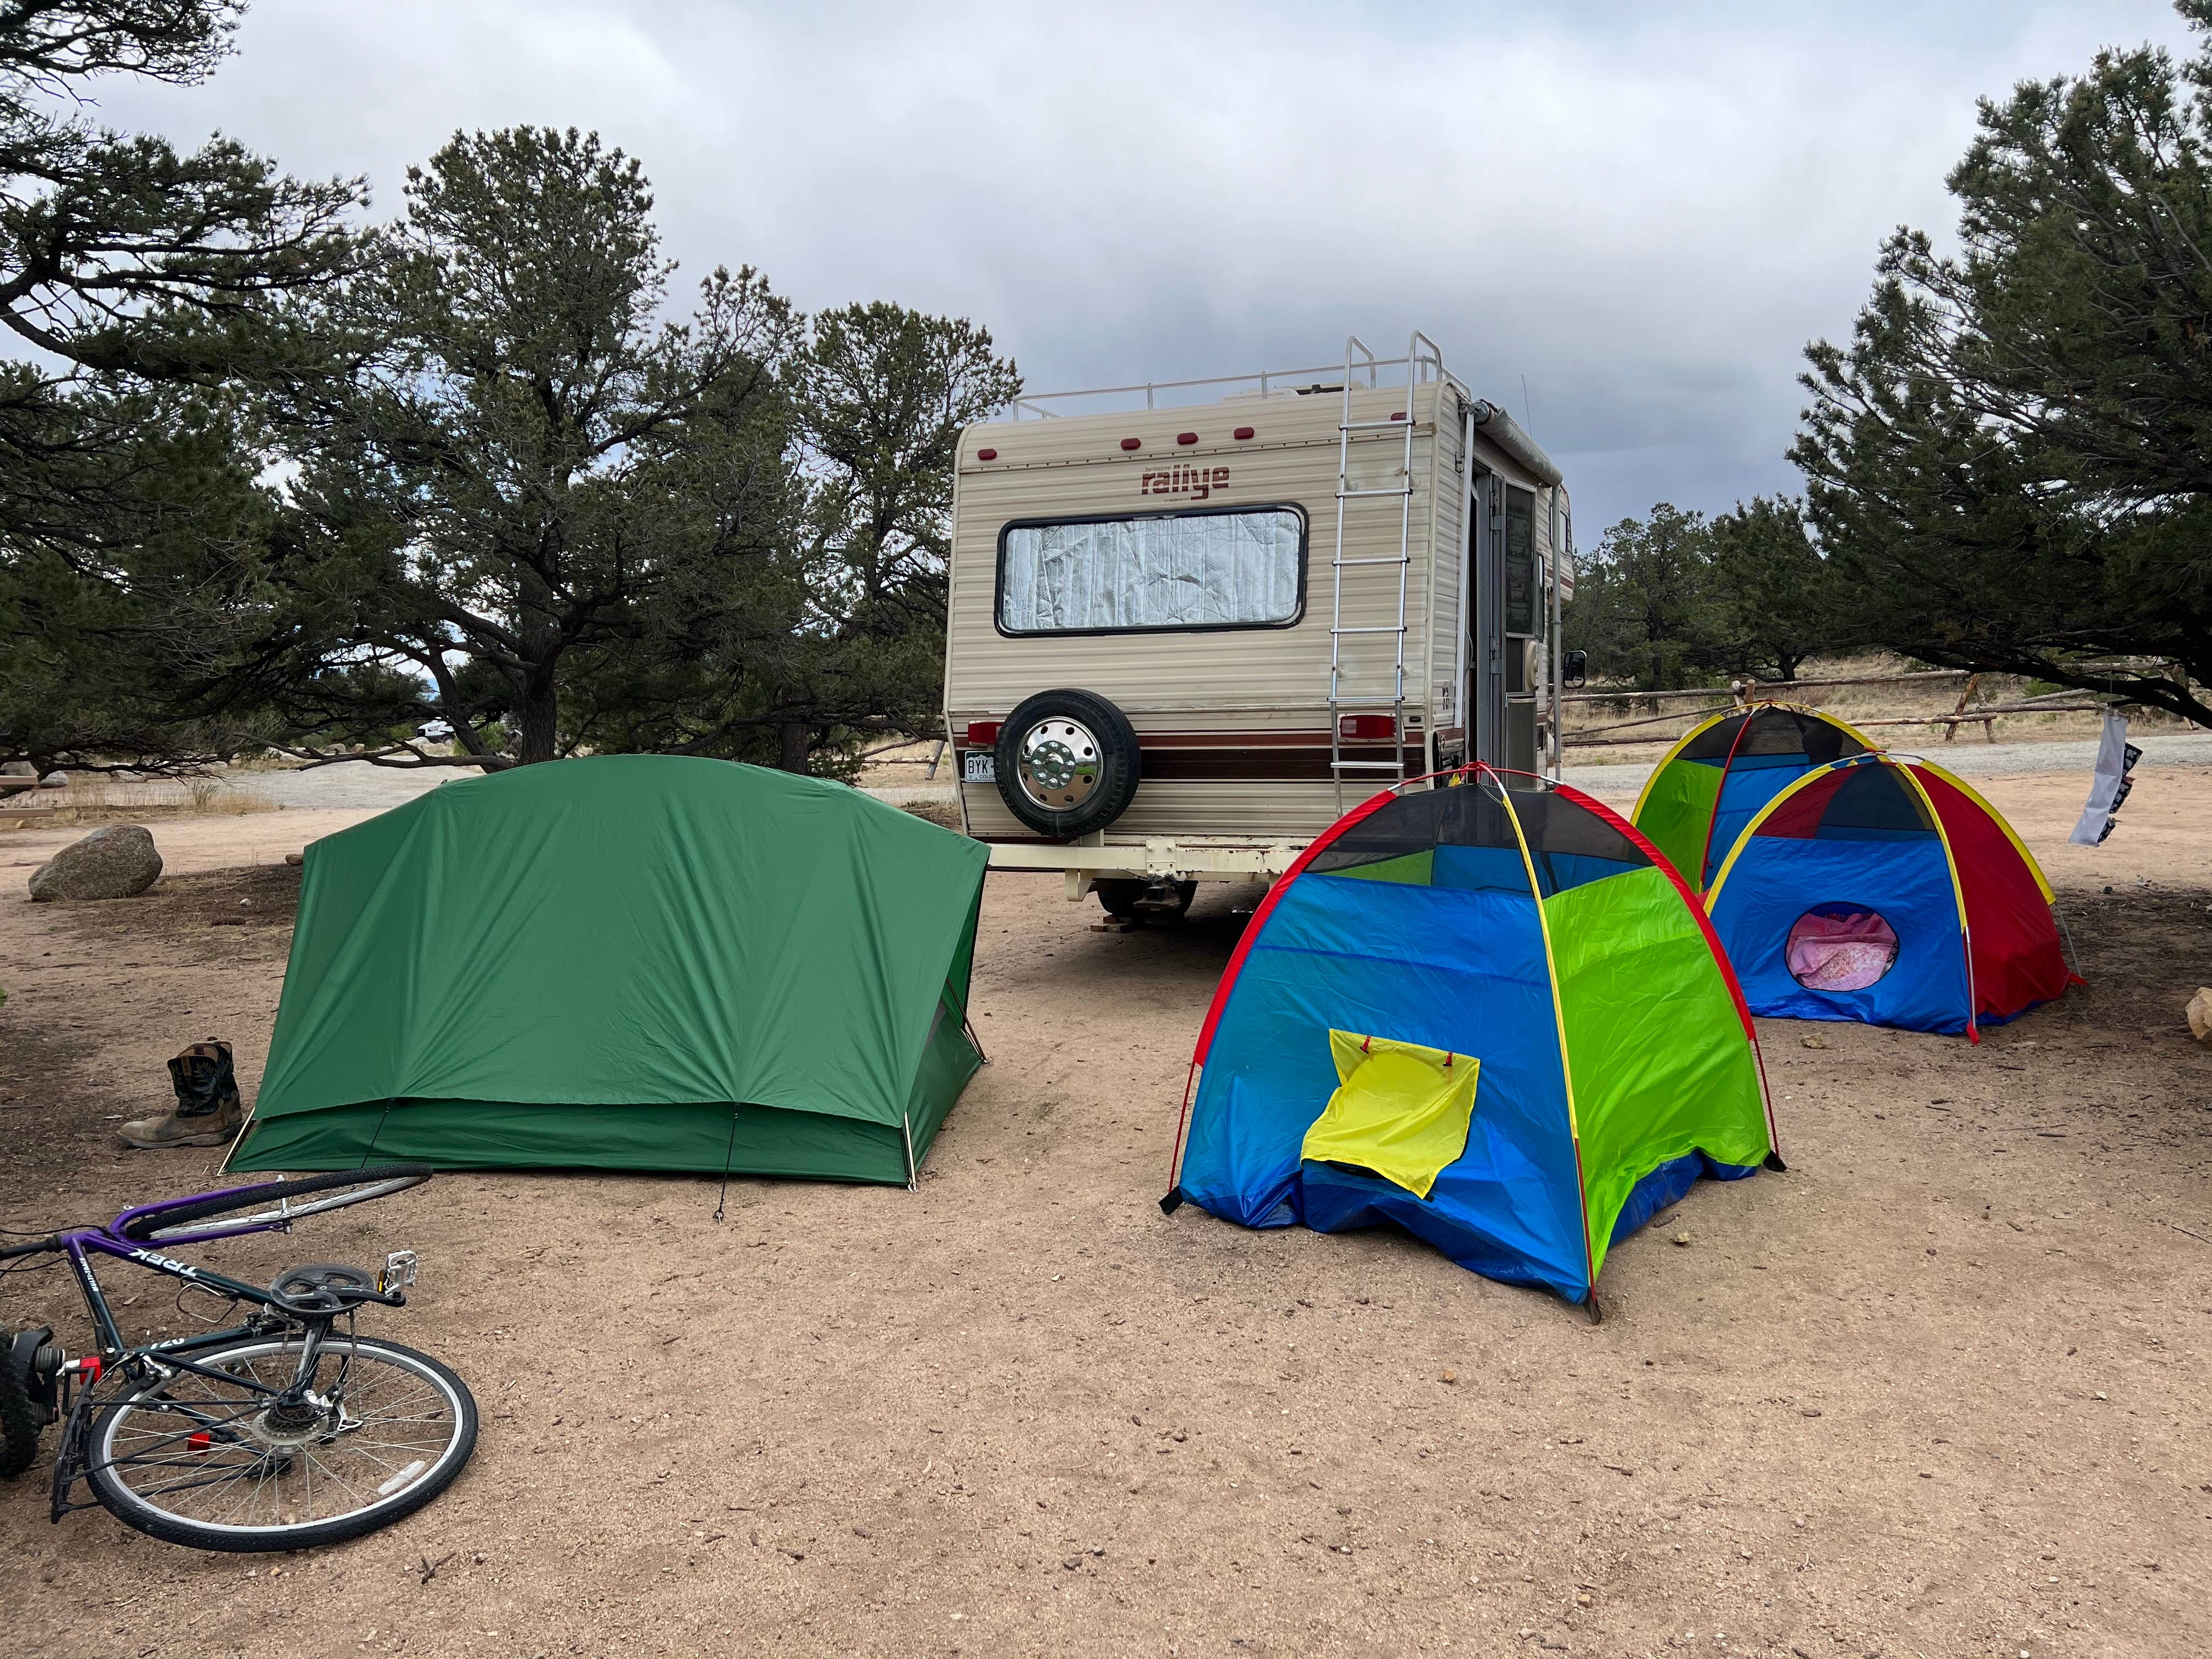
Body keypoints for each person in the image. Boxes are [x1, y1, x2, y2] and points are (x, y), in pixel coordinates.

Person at [119, 1041, 244, 1150]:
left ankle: (199, 1120)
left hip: (197, 1120)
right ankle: (230, 1111)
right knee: (210, 1056)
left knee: (196, 1062)